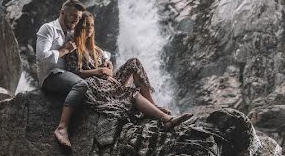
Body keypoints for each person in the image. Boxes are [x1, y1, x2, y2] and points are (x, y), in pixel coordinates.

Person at [62, 11, 190, 142]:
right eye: (85, 25)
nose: (89, 28)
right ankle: (165, 119)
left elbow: (108, 72)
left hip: (107, 82)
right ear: (78, 27)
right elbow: (73, 73)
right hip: (93, 85)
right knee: (130, 93)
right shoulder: (74, 47)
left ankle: (152, 105)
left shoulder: (97, 50)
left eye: (92, 25)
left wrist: (108, 68)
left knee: (134, 62)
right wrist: (99, 71)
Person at [35, 0, 103, 150]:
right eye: (73, 16)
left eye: (78, 17)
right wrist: (64, 50)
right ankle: (62, 128)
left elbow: (88, 43)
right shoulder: (48, 28)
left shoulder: (72, 30)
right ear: (62, 12)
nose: (76, 20)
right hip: (51, 75)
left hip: (68, 73)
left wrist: (106, 59)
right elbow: (41, 56)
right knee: (81, 84)